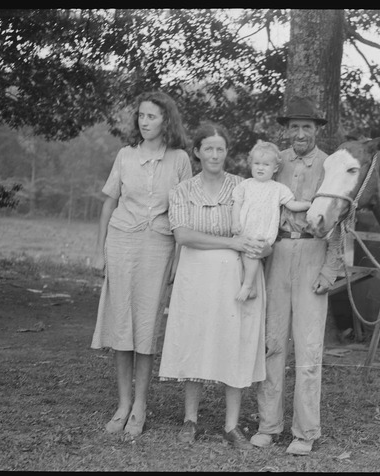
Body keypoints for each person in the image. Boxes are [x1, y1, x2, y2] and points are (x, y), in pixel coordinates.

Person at [158, 122, 271, 450]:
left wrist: (253, 246)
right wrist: (232, 243)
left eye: (220, 149)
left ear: (227, 153)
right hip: (196, 276)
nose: (215, 155)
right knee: (195, 339)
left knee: (233, 342)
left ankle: (232, 424)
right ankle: (190, 419)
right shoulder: (182, 191)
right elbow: (183, 236)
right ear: (197, 152)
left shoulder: (242, 187)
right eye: (208, 148)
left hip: (235, 277)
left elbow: (258, 228)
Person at [90, 91, 192, 437]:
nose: (144, 122)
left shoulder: (179, 159)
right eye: (141, 116)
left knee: (145, 327)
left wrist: (179, 257)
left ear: (167, 121)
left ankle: (141, 405)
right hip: (121, 242)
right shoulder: (125, 155)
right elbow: (108, 203)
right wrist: (100, 250)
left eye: (152, 116)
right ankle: (122, 403)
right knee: (121, 323)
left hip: (159, 245)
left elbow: (184, 213)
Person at [249, 96, 343, 456]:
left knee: (308, 349)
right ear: (286, 130)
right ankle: (268, 425)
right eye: (294, 127)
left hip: (313, 253)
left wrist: (330, 268)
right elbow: (256, 205)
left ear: (317, 129)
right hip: (277, 254)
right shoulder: (275, 161)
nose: (300, 133)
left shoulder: (329, 164)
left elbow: (339, 218)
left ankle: (305, 431)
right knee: (272, 343)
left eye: (307, 127)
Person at [232, 141, 312, 302]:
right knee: (239, 258)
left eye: (266, 165)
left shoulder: (278, 188)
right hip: (244, 228)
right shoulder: (245, 185)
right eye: (257, 164)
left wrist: (310, 204)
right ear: (251, 165)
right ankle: (252, 287)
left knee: (252, 254)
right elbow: (237, 204)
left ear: (275, 168)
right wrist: (235, 222)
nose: (260, 168)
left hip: (262, 231)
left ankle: (248, 285)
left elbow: (292, 204)